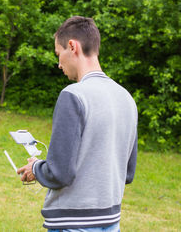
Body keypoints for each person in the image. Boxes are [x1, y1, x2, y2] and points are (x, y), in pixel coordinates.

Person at [17, 16, 138, 232]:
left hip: (72, 223)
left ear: (72, 46)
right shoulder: (126, 98)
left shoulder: (73, 95)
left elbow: (60, 173)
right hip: (111, 222)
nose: (59, 64)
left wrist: (36, 167)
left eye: (58, 54)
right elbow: (127, 173)